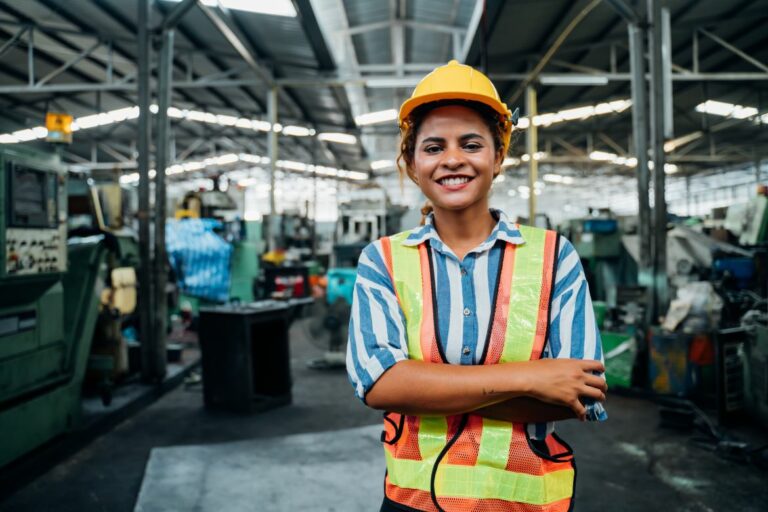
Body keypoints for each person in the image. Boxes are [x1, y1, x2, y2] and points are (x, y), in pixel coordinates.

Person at [346, 60, 607, 512]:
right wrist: (529, 376)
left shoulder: (553, 255)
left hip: (527, 503)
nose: (452, 159)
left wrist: (427, 388)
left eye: (471, 143)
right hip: (414, 501)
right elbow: (381, 383)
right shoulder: (383, 259)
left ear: (498, 156)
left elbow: (577, 392)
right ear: (412, 162)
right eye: (433, 147)